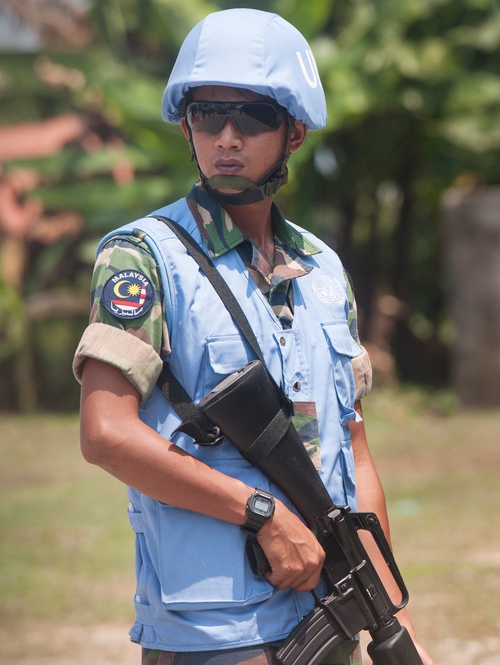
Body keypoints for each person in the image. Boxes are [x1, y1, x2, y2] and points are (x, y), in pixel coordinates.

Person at [73, 9, 435, 665]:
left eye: (253, 117)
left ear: (294, 130)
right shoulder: (144, 258)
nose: (228, 137)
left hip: (332, 608)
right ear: (188, 125)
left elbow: (352, 447)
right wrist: (262, 512)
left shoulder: (323, 270)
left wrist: (391, 615)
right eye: (208, 115)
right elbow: (106, 433)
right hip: (215, 635)